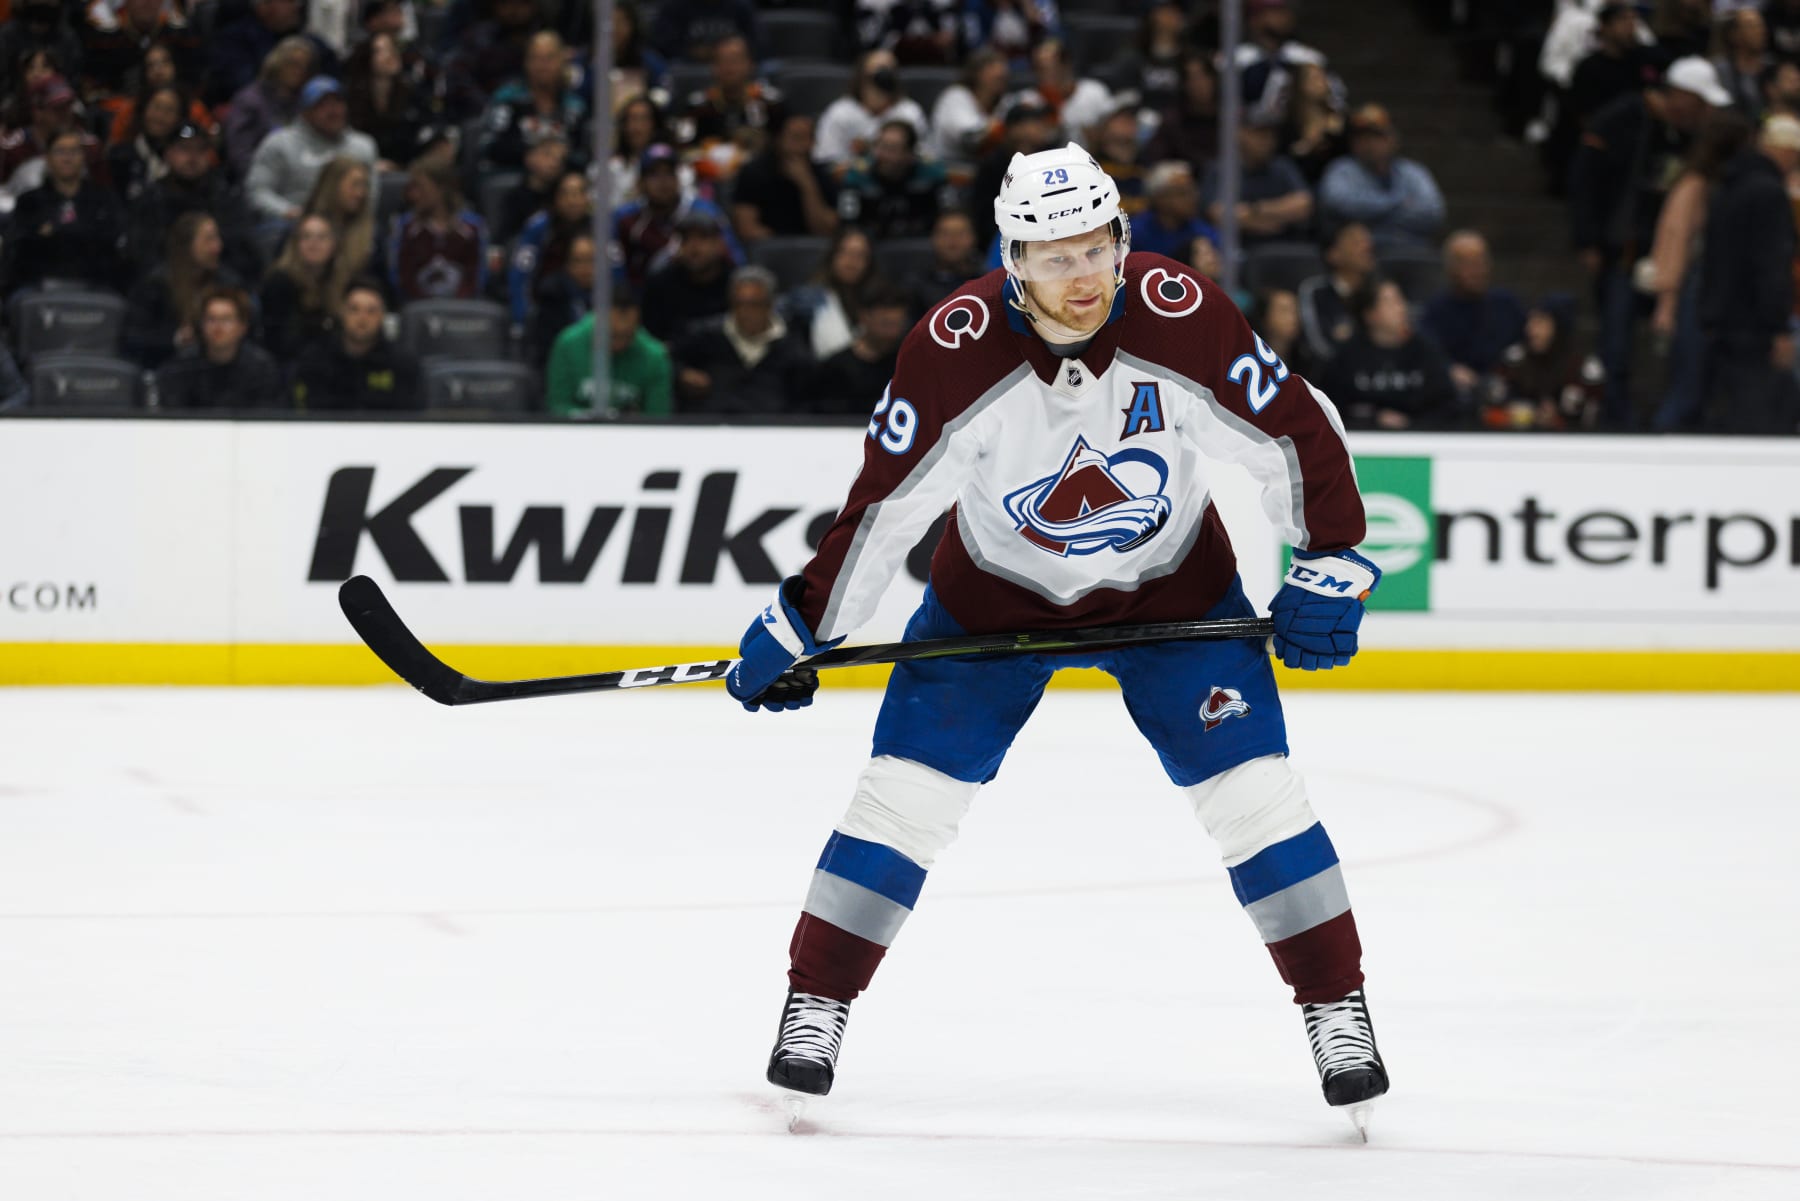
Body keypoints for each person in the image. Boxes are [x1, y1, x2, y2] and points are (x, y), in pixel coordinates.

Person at [735, 143, 1390, 1138]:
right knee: (903, 799)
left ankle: (1335, 1005)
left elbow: (1295, 430)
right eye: (1053, 258)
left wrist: (1331, 557)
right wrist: (801, 623)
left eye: (1096, 247)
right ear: (1013, 262)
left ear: (1122, 238)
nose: (1083, 277)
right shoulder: (952, 349)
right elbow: (884, 509)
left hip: (1174, 596)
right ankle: (817, 1000)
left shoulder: (1181, 313)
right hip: (995, 602)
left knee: (1257, 797)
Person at [1570, 56, 1732, 428]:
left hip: (1675, 256)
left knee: (1680, 345)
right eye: (1700, 103)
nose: (1705, 113)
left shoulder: (1697, 136)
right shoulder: (1623, 118)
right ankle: (1617, 419)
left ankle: (1671, 420)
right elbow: (1585, 180)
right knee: (1616, 343)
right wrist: (1587, 239)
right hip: (1624, 253)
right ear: (1681, 96)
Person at [1698, 112, 1800, 434]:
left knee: (1728, 410)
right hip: (1755, 327)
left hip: (1722, 319)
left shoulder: (1728, 186)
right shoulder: (1769, 192)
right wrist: (1778, 327)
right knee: (1757, 418)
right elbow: (1770, 265)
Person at [668, 263, 811, 412]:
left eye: (754, 304)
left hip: (773, 422)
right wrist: (682, 374)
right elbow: (669, 360)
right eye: (739, 304)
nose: (745, 312)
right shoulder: (706, 334)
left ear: (770, 304)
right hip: (713, 420)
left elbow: (804, 395)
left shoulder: (792, 344)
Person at [1319, 278, 1457, 430]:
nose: (1401, 308)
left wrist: (1414, 422)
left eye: (1401, 301)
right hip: (1360, 435)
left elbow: (1446, 403)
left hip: (1420, 435)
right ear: (1369, 314)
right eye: (1390, 303)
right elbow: (1331, 405)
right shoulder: (1347, 357)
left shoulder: (1425, 351)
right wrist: (1373, 417)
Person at [1, 127, 126, 291]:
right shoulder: (29, 202)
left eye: (74, 151)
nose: (67, 158)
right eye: (60, 151)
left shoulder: (104, 200)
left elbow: (114, 246)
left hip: (96, 285)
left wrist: (52, 233)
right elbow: (18, 251)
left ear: (84, 157)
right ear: (47, 158)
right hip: (38, 286)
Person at [246, 76, 378, 223]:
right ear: (305, 112)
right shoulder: (279, 144)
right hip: (292, 224)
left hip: (348, 225)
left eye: (338, 103)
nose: (333, 111)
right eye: (323, 105)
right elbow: (258, 192)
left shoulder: (362, 146)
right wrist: (287, 211)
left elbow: (371, 197)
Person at [124, 210, 246, 368]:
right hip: (167, 367)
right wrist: (176, 339)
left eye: (217, 238)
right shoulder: (155, 285)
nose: (218, 247)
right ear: (187, 245)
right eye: (209, 240)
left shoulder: (229, 284)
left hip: (221, 368)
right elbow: (133, 337)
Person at [1317, 104, 1444, 254]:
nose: (1370, 144)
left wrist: (1373, 217)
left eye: (1377, 136)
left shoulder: (1413, 172)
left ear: (1392, 139)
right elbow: (1337, 203)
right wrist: (1397, 203)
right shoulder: (1341, 170)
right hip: (1362, 252)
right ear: (1352, 143)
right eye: (1362, 138)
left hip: (1411, 250)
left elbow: (1433, 211)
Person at [1419, 231, 1526, 405]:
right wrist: (1450, 369)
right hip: (1459, 399)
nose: (1478, 270)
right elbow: (1428, 356)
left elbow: (1527, 347)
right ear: (1450, 269)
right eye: (1468, 263)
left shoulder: (1507, 304)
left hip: (1508, 395)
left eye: (1482, 261)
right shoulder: (1436, 311)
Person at [291, 276, 421, 410]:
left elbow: (413, 415)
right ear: (342, 312)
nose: (362, 318)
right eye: (354, 309)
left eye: (371, 311)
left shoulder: (403, 365)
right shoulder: (315, 360)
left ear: (382, 316)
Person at [544, 286, 673, 418]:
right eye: (612, 335)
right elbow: (558, 406)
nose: (619, 343)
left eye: (628, 335)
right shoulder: (567, 344)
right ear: (596, 321)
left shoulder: (655, 356)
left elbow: (657, 417)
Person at [152, 286, 283, 408]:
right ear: (201, 324)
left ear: (243, 326)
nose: (218, 327)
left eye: (226, 319)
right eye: (211, 319)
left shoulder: (262, 369)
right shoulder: (181, 367)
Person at [1199, 116, 1314, 247]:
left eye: (1271, 135)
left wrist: (1255, 210)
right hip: (1240, 247)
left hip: (1286, 244)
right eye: (1260, 135)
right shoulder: (1221, 170)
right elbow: (1217, 214)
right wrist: (1269, 220)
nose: (1267, 141)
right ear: (1241, 134)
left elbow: (1304, 204)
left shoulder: (1283, 166)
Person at [386, 157, 488, 301]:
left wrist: (457, 305)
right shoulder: (404, 227)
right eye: (411, 188)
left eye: (420, 187)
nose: (413, 195)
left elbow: (476, 278)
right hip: (416, 306)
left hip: (462, 307)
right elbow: (401, 278)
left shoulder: (473, 227)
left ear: (441, 188)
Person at [730, 110, 839, 244]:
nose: (804, 145)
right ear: (778, 139)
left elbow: (826, 229)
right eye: (796, 138)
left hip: (814, 247)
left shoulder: (822, 173)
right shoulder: (754, 172)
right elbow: (747, 228)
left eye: (809, 138)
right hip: (770, 247)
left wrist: (807, 185)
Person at [813, 49, 929, 168]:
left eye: (889, 70)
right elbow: (827, 160)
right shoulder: (840, 112)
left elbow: (921, 158)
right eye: (879, 70)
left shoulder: (909, 112)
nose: (884, 76)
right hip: (852, 176)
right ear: (862, 75)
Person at [807, 283, 910, 414]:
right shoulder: (835, 368)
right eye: (886, 323)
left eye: (896, 324)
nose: (892, 332)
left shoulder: (909, 365)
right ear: (863, 317)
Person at [837, 118, 945, 241]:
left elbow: (949, 218)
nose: (882, 155)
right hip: (871, 245)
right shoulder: (857, 176)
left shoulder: (932, 175)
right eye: (880, 146)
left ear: (909, 154)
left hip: (925, 243)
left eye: (892, 149)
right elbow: (848, 227)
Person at [222, 36, 314, 180]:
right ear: (277, 63)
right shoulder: (250, 100)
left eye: (305, 66)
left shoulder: (306, 103)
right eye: (293, 64)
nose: (299, 71)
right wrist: (262, 180)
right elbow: (240, 152)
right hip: (256, 179)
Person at [640, 209, 736, 343]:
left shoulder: (736, 284)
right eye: (686, 239)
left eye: (703, 238)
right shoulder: (660, 284)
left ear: (719, 244)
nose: (694, 247)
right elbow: (651, 339)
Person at [344, 30, 436, 168]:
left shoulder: (413, 91)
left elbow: (422, 133)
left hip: (406, 166)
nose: (390, 55)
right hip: (361, 165)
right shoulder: (352, 94)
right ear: (367, 57)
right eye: (380, 51)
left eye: (392, 49)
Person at [260, 212, 343, 364]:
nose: (314, 243)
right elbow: (278, 341)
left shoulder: (338, 281)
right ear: (295, 243)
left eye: (321, 237)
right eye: (306, 236)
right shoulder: (279, 282)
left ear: (334, 244)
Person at [1297, 221, 1375, 365]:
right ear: (1334, 254)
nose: (1367, 246)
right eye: (1355, 241)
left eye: (1366, 240)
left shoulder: (1380, 291)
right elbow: (1317, 346)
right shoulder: (1316, 292)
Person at [928, 48, 1008, 162]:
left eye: (1002, 78)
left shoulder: (1003, 103)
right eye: (996, 77)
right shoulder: (955, 96)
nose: (1000, 73)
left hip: (984, 166)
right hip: (948, 165)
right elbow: (969, 139)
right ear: (976, 73)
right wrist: (1000, 129)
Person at [1129, 161, 1218, 261]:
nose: (1192, 198)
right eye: (1182, 193)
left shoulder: (1201, 231)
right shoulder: (1135, 233)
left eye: (1192, 191)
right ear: (1160, 198)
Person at [903, 207, 982, 314]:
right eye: (945, 234)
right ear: (933, 238)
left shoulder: (987, 284)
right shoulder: (915, 286)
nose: (953, 241)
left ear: (973, 238)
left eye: (961, 234)